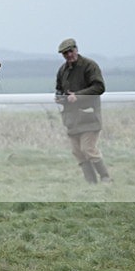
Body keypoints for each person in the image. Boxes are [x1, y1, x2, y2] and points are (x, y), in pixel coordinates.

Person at [54, 38, 111, 183]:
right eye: (65, 53)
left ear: (76, 49)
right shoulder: (62, 70)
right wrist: (60, 98)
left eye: (70, 51)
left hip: (88, 117)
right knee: (78, 152)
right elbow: (59, 89)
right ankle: (91, 183)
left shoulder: (89, 66)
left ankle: (105, 177)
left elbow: (99, 87)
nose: (69, 55)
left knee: (88, 149)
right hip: (71, 119)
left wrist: (78, 96)